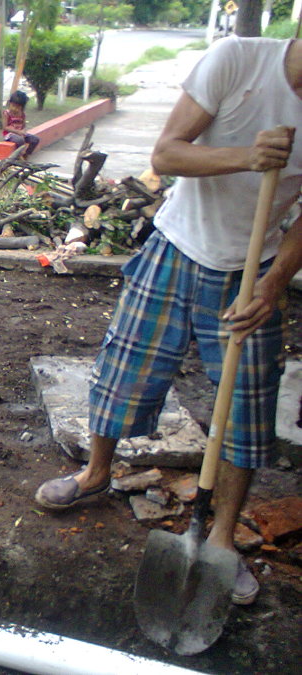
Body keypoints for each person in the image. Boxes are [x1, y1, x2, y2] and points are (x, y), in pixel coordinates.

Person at [34, 35, 302, 607]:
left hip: (251, 271)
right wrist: (247, 155)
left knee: (246, 409)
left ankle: (221, 538)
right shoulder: (239, 61)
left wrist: (273, 285)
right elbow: (167, 155)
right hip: (176, 248)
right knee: (122, 371)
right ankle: (96, 473)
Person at [1, 90, 39, 158]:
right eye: (13, 106)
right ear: (9, 103)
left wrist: (23, 132)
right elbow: (5, 127)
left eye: (18, 107)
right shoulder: (6, 113)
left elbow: (24, 125)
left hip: (20, 133)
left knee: (35, 139)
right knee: (20, 140)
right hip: (9, 135)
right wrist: (17, 132)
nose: (14, 109)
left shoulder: (22, 114)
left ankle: (26, 155)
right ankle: (19, 155)